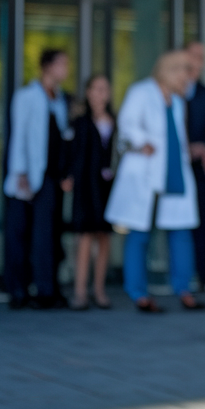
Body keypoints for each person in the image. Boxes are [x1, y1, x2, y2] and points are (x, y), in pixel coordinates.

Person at [105, 51, 205, 313]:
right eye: (185, 72)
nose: (188, 78)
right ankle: (138, 293)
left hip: (175, 172)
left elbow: (177, 136)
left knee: (181, 231)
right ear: (170, 71)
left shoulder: (178, 100)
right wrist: (142, 141)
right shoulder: (141, 92)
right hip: (146, 172)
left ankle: (184, 289)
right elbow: (127, 123)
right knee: (140, 233)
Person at [3, 49, 72, 309]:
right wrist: (20, 172)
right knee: (20, 233)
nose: (65, 69)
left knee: (48, 236)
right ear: (47, 66)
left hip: (51, 177)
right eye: (62, 64)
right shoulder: (27, 96)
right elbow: (18, 135)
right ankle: (18, 290)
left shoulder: (61, 99)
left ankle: (47, 289)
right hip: (28, 175)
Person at [65, 74, 116, 311]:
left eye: (103, 89)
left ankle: (99, 289)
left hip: (108, 187)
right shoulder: (81, 122)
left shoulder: (115, 121)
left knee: (104, 236)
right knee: (85, 236)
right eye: (95, 89)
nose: (99, 94)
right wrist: (69, 176)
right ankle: (80, 291)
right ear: (87, 92)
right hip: (87, 185)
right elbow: (74, 154)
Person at [184, 41, 205, 291]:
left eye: (201, 57)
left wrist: (203, 145)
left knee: (201, 219)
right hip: (173, 166)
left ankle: (204, 276)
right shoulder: (169, 92)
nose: (198, 61)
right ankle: (180, 276)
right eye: (194, 56)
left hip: (198, 166)